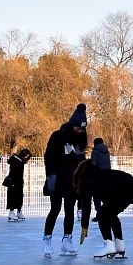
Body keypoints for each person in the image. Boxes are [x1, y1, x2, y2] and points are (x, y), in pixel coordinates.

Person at [73, 159, 133, 259]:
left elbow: (86, 206)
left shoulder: (88, 180)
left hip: (125, 190)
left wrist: (84, 227)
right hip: (130, 187)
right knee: (110, 214)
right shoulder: (99, 175)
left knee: (102, 215)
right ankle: (119, 246)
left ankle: (109, 245)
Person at [43, 103, 88, 257]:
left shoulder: (80, 142)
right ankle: (47, 240)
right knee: (55, 209)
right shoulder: (57, 136)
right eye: (78, 128)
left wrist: (82, 178)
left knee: (70, 210)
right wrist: (50, 175)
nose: (80, 131)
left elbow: (82, 162)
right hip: (57, 178)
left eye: (83, 129)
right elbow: (48, 157)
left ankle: (67, 240)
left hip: (72, 181)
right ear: (72, 125)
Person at [4, 148, 32, 221]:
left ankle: (19, 211)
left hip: (19, 181)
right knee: (12, 197)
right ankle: (11, 212)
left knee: (19, 197)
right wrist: (13, 182)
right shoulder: (16, 160)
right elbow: (13, 172)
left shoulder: (20, 161)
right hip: (13, 181)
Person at [90, 136, 111, 223]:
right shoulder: (107, 151)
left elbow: (93, 164)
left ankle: (99, 214)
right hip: (108, 175)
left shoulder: (95, 152)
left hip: (98, 177)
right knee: (105, 196)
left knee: (97, 197)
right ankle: (107, 213)